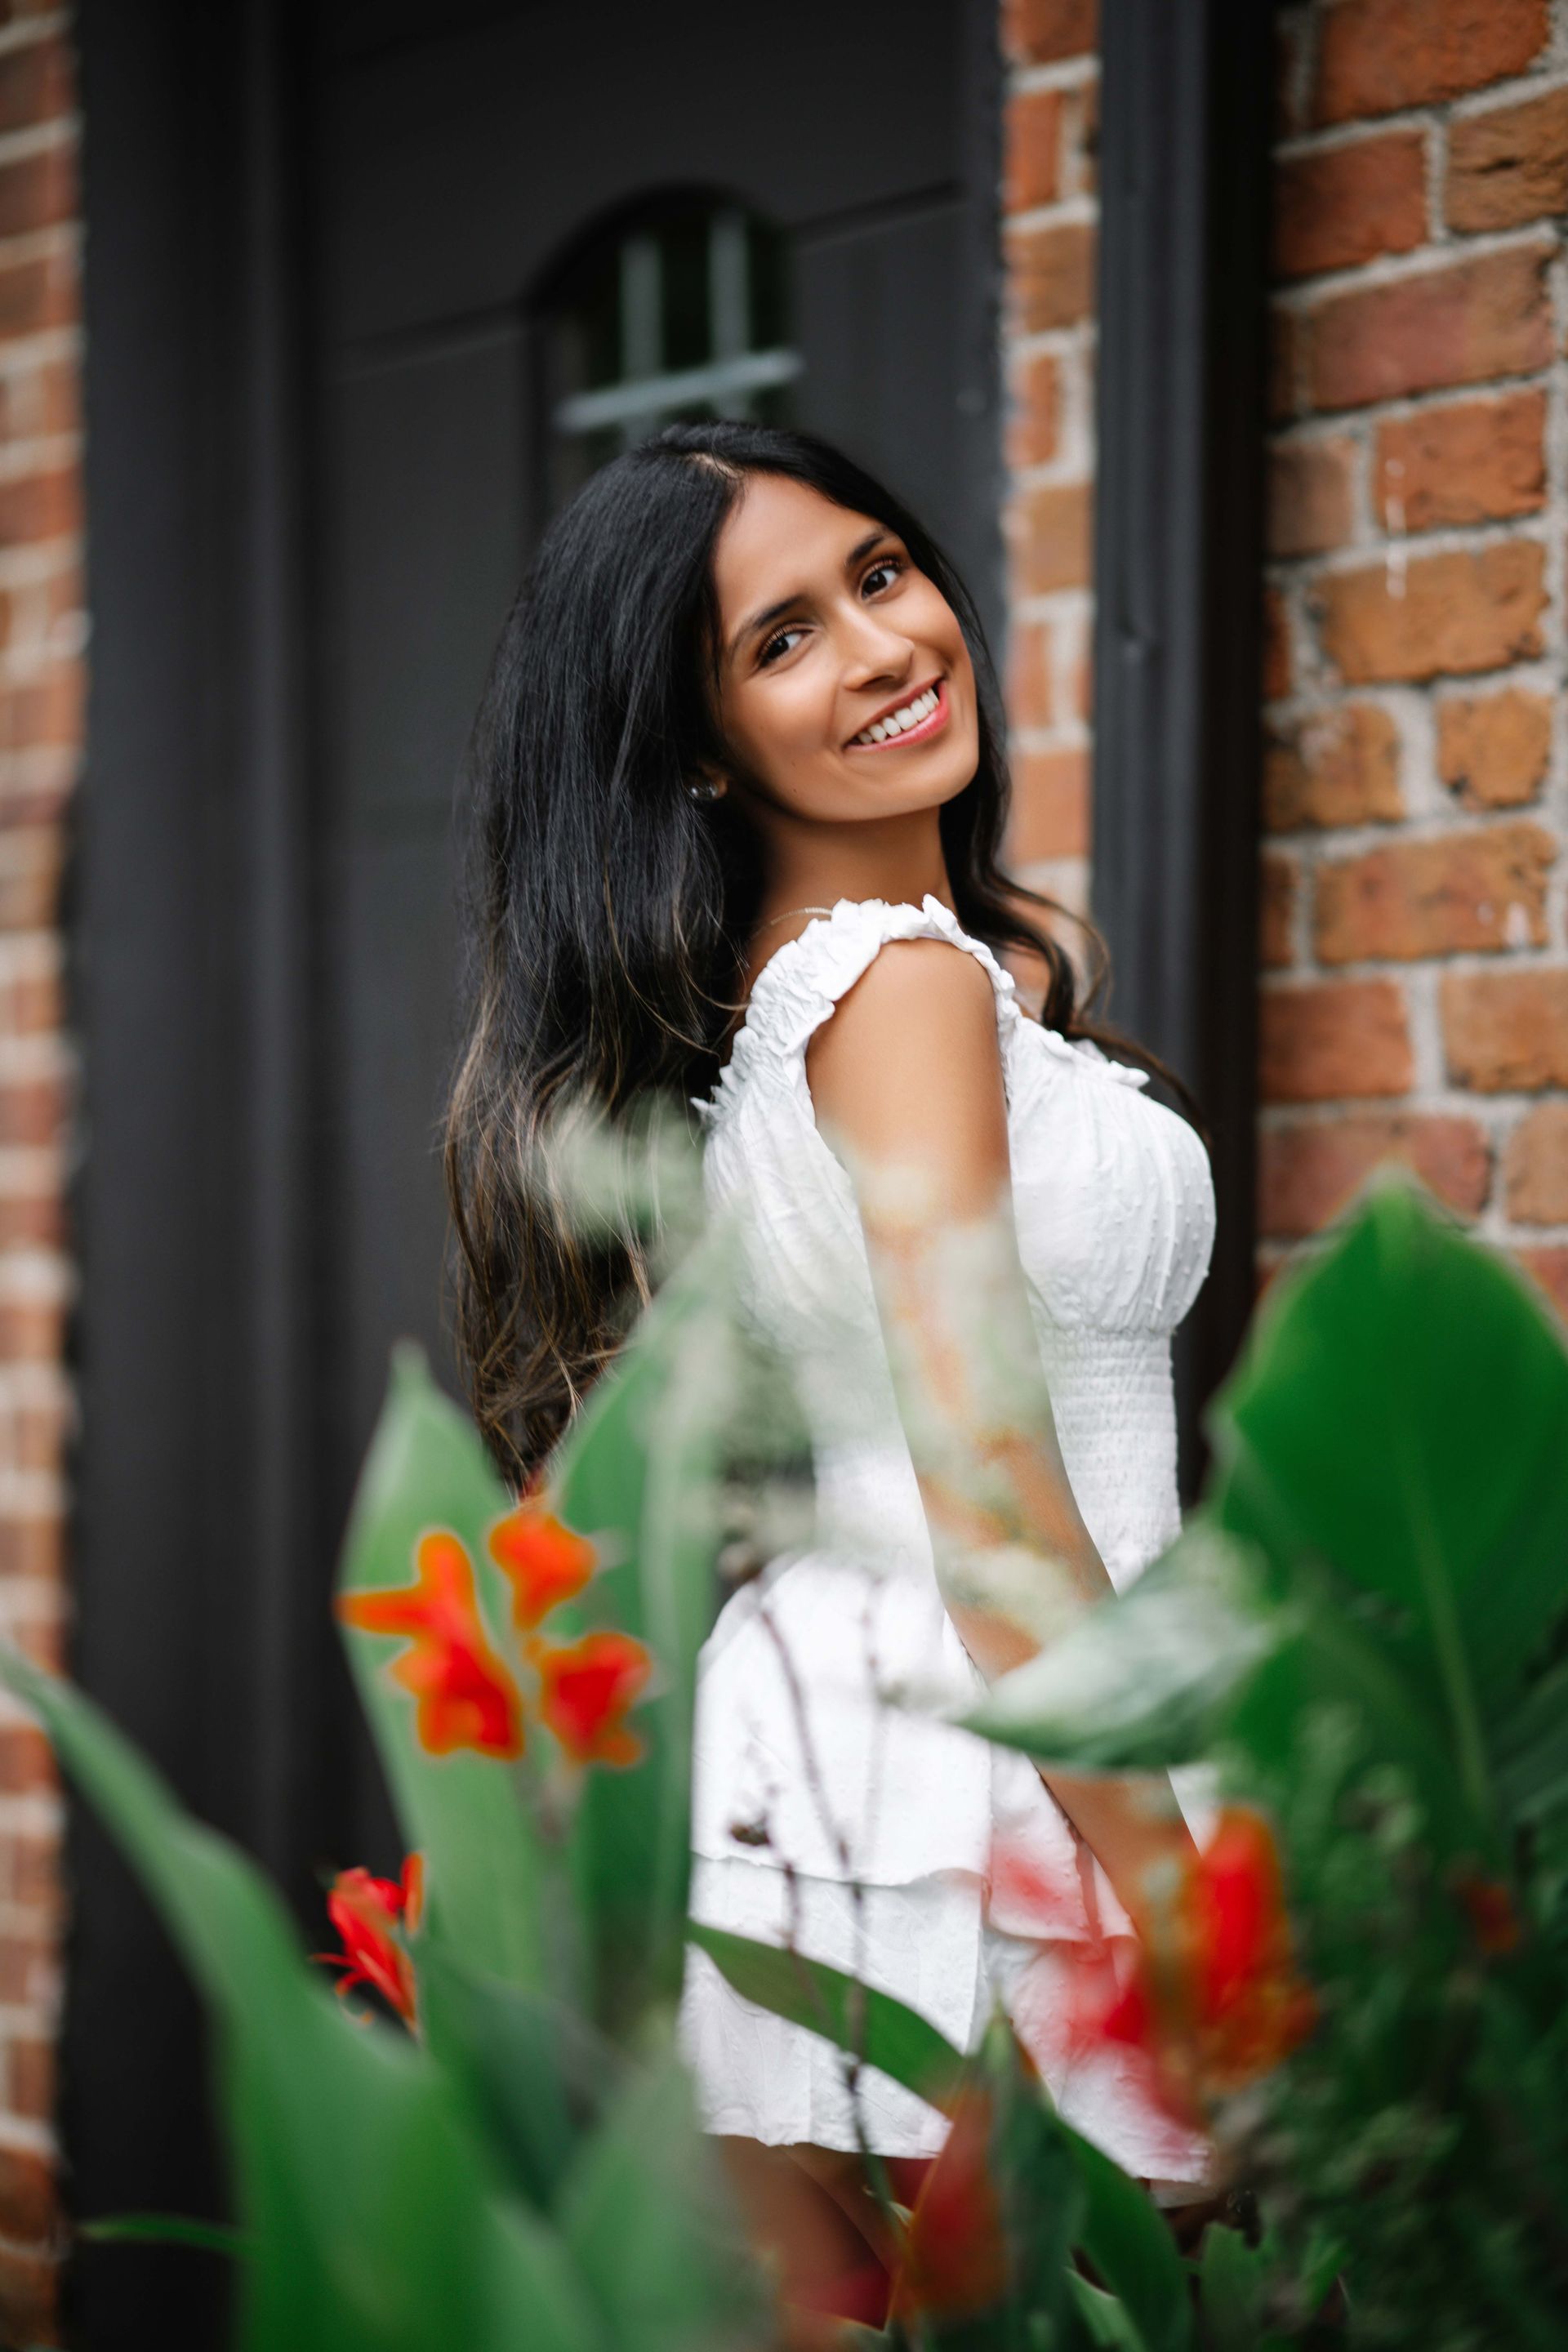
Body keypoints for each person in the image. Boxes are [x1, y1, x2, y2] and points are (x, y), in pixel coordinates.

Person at [445, 420, 1216, 2315]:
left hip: (836, 1779)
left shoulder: (811, 995)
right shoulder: (906, 990)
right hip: (998, 1783)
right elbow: (990, 1494)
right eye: (781, 638)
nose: (881, 648)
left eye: (880, 575)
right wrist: (1194, 1915)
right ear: (699, 745)